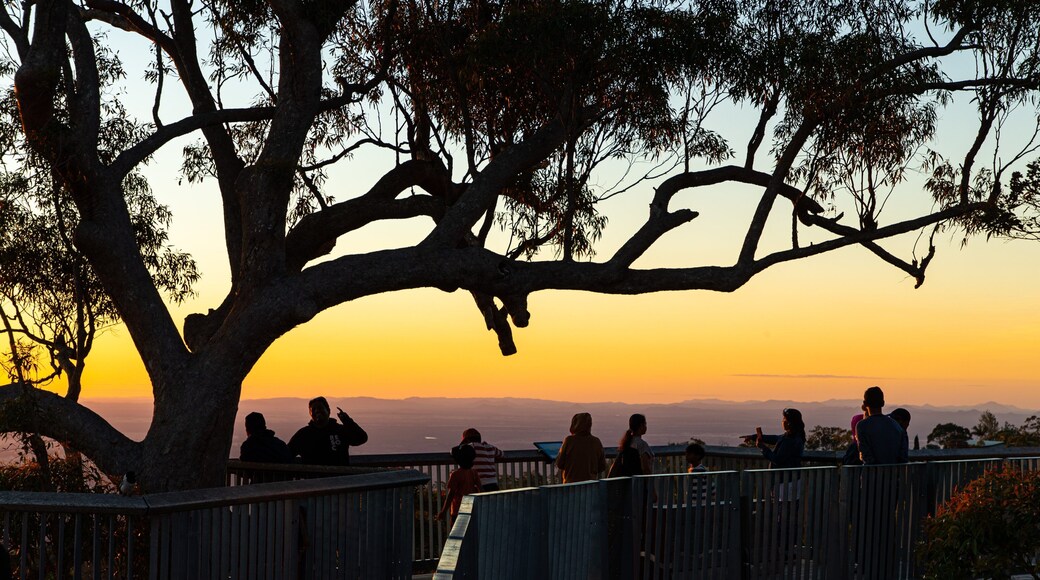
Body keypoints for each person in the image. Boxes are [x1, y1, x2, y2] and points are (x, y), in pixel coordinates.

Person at [288, 396, 368, 465]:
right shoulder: (303, 435)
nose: (317, 411)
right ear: (310, 413)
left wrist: (347, 421)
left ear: (328, 411)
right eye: (313, 409)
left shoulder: (340, 431)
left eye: (320, 408)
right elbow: (287, 453)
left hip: (339, 480)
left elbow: (361, 438)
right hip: (314, 481)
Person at [856, 386, 909, 465]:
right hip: (894, 475)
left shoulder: (862, 426)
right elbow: (903, 457)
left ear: (865, 403)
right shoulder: (896, 426)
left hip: (871, 475)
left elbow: (866, 456)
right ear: (883, 403)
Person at [555, 412, 606, 483]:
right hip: (590, 486)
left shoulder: (569, 441)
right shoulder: (596, 442)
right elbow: (602, 466)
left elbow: (560, 464)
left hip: (570, 486)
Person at [437, 444, 482, 524]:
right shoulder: (474, 473)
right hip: (471, 508)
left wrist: (443, 511)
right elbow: (481, 489)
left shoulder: (456, 475)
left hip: (457, 510)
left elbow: (451, 495)